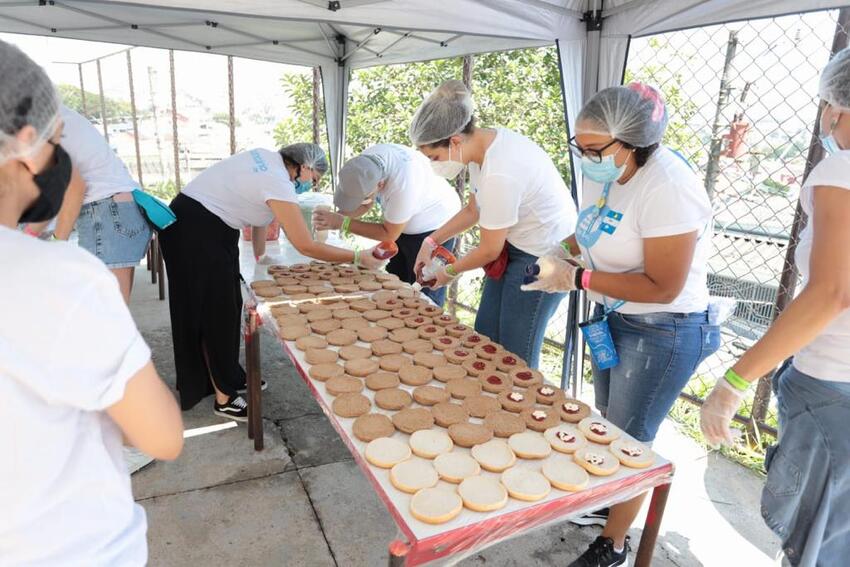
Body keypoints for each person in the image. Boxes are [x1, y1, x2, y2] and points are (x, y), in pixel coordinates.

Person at [0, 40, 183, 564]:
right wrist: (56, 249)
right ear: (30, 144)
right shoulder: (58, 279)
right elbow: (163, 437)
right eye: (54, 143)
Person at [524, 83, 720, 567]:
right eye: (580, 147)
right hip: (615, 315)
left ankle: (613, 546)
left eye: (594, 149)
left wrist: (578, 277)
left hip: (663, 327)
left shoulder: (669, 187)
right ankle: (610, 505)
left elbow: (663, 286)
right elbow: (592, 224)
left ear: (633, 143)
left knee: (633, 439)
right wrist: (561, 254)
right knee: (608, 423)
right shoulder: (608, 169)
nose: (585, 158)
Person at [701, 48, 850, 567]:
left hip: (833, 383)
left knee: (817, 541)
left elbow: (831, 292)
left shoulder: (840, 171)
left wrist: (734, 382)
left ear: (837, 104)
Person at [158, 143, 385, 420]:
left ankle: (225, 374)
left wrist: (260, 255)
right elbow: (306, 245)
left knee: (228, 306)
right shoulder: (277, 180)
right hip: (196, 232)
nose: (309, 186)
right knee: (213, 313)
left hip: (209, 228)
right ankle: (224, 397)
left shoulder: (267, 160)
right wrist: (358, 257)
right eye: (313, 179)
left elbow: (258, 215)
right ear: (305, 166)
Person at [409, 80, 577, 368]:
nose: (435, 164)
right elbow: (474, 209)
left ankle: (520, 408)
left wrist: (448, 272)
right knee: (485, 336)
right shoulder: (479, 151)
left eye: (434, 157)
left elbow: (488, 250)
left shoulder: (501, 171)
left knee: (515, 352)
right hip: (516, 244)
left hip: (545, 253)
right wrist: (430, 241)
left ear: (455, 141)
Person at [24, 104, 152, 304]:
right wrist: (29, 236)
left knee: (107, 316)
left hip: (106, 214)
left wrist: (57, 246)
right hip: (117, 211)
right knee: (111, 315)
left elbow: (75, 189)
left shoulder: (31, 120)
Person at [312, 143, 462, 305]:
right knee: (395, 280)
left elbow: (389, 233)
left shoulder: (404, 183)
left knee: (423, 285)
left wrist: (342, 223)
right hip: (403, 221)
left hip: (434, 224)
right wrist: (337, 217)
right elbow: (366, 202)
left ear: (381, 185)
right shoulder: (365, 165)